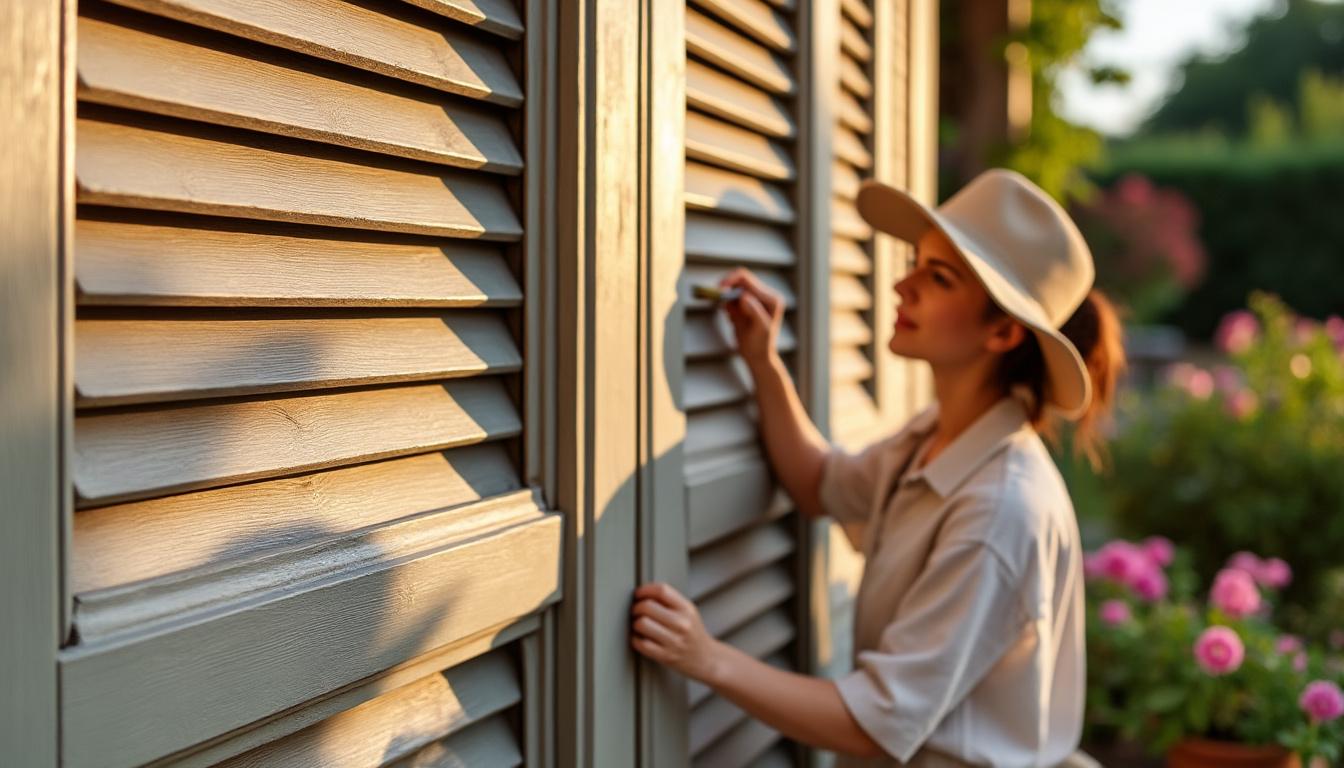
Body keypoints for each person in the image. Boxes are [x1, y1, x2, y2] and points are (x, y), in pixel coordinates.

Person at [630, 169, 1125, 767]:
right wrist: (762, 363)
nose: (901, 285)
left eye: (937, 278)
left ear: (1003, 331)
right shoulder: (935, 436)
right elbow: (821, 484)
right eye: (916, 262)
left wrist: (705, 656)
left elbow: (875, 725)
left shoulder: (998, 509)